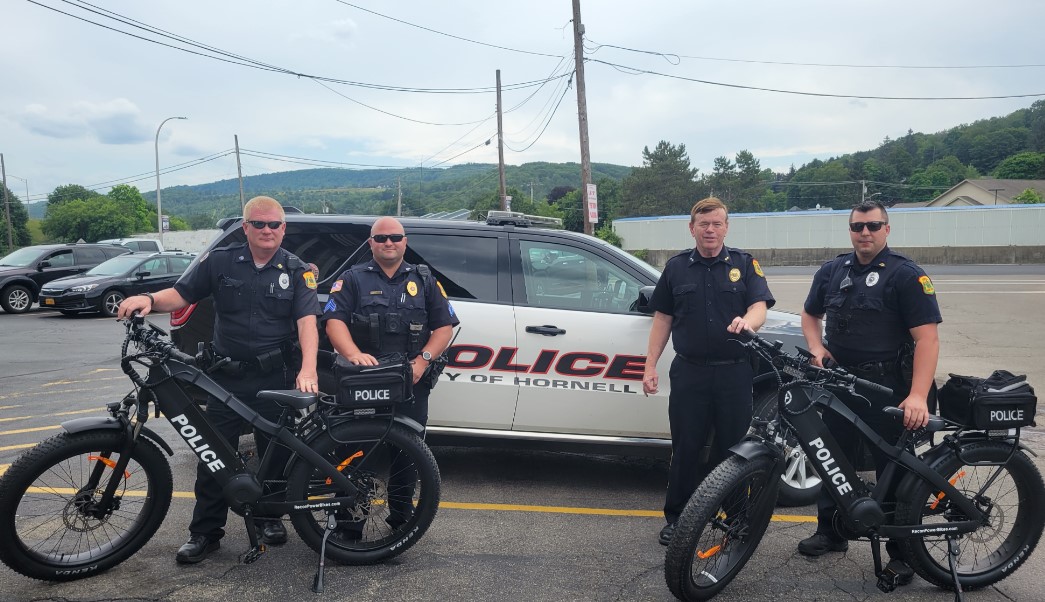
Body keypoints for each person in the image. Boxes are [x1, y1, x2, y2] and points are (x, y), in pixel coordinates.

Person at [117, 195, 321, 564]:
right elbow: (181, 294)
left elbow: (307, 322)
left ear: (283, 228)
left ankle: (269, 519)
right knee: (212, 455)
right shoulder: (221, 260)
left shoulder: (297, 269)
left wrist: (308, 369)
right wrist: (148, 299)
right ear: (245, 227)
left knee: (275, 453)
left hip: (274, 376)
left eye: (274, 224)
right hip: (226, 378)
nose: (267, 230)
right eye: (258, 223)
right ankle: (205, 533)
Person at [798, 199, 940, 585]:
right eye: (858, 226)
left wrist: (917, 395)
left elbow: (927, 339)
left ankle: (903, 554)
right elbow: (810, 314)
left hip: (887, 389)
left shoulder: (906, 275)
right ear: (850, 230)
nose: (865, 233)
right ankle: (831, 532)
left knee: (893, 471)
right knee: (833, 457)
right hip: (840, 384)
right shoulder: (832, 271)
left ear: (886, 230)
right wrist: (816, 347)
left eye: (874, 226)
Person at [642, 197, 775, 546]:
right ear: (692, 228)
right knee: (686, 447)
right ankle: (678, 519)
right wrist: (650, 365)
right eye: (704, 224)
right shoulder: (676, 268)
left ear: (726, 227)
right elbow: (663, 319)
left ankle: (735, 517)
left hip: (734, 373)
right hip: (690, 372)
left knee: (734, 450)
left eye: (717, 223)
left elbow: (759, 306)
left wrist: (748, 322)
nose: (710, 230)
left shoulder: (745, 263)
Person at [324, 216, 459, 431]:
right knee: (360, 442)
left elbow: (444, 328)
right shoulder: (352, 278)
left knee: (410, 445)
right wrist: (353, 354)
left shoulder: (425, 280)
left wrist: (423, 361)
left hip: (411, 380)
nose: (388, 242)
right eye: (381, 238)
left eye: (395, 237)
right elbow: (334, 322)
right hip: (364, 378)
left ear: (405, 241)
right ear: (371, 243)